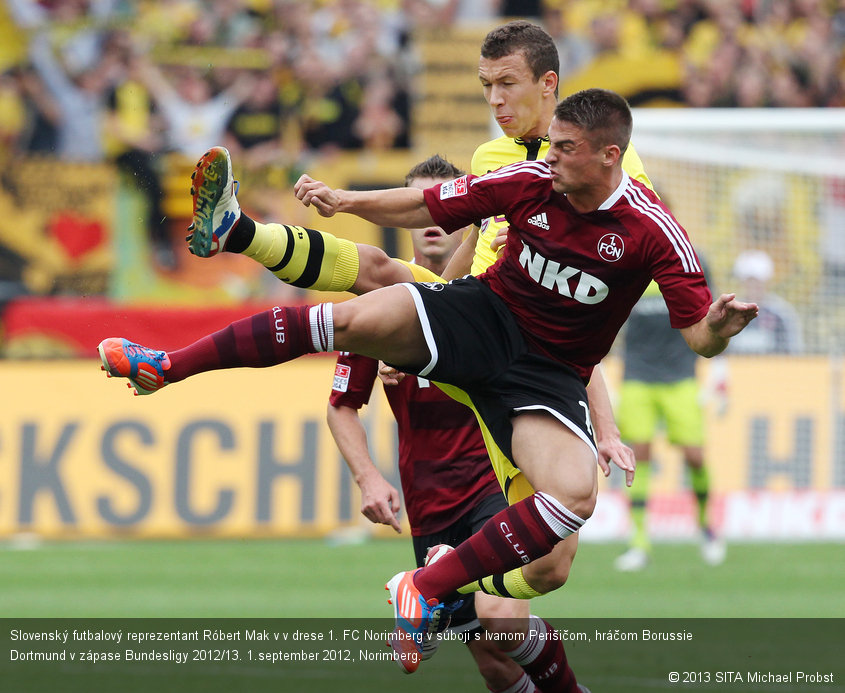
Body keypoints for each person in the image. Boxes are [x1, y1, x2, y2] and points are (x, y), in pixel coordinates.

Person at [99, 88, 758, 672]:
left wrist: (719, 328)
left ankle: (431, 584)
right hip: (482, 319)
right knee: (356, 309)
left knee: (570, 508)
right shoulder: (526, 175)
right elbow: (426, 203)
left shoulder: (652, 231)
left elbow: (696, 332)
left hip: (546, 376)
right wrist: (344, 198)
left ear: (608, 154)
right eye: (486, 84)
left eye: (565, 147)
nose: (550, 156)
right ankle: (168, 361)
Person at [328, 154, 588, 693]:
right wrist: (368, 478)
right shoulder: (387, 309)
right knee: (491, 662)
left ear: (468, 213)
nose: (429, 220)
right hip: (429, 504)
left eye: (438, 204)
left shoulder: (503, 290)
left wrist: (601, 429)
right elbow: (340, 404)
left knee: (503, 620)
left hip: (493, 487)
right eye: (417, 205)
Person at [613, 276, 727, 572]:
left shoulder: (690, 261)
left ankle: (706, 527)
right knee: (638, 456)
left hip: (681, 374)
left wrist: (721, 370)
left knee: (695, 456)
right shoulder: (630, 257)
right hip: (637, 374)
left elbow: (714, 315)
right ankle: (638, 541)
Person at [728, 249, 803, 354]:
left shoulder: (781, 314)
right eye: (749, 281)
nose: (753, 287)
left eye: (757, 281)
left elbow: (792, 350)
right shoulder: (731, 312)